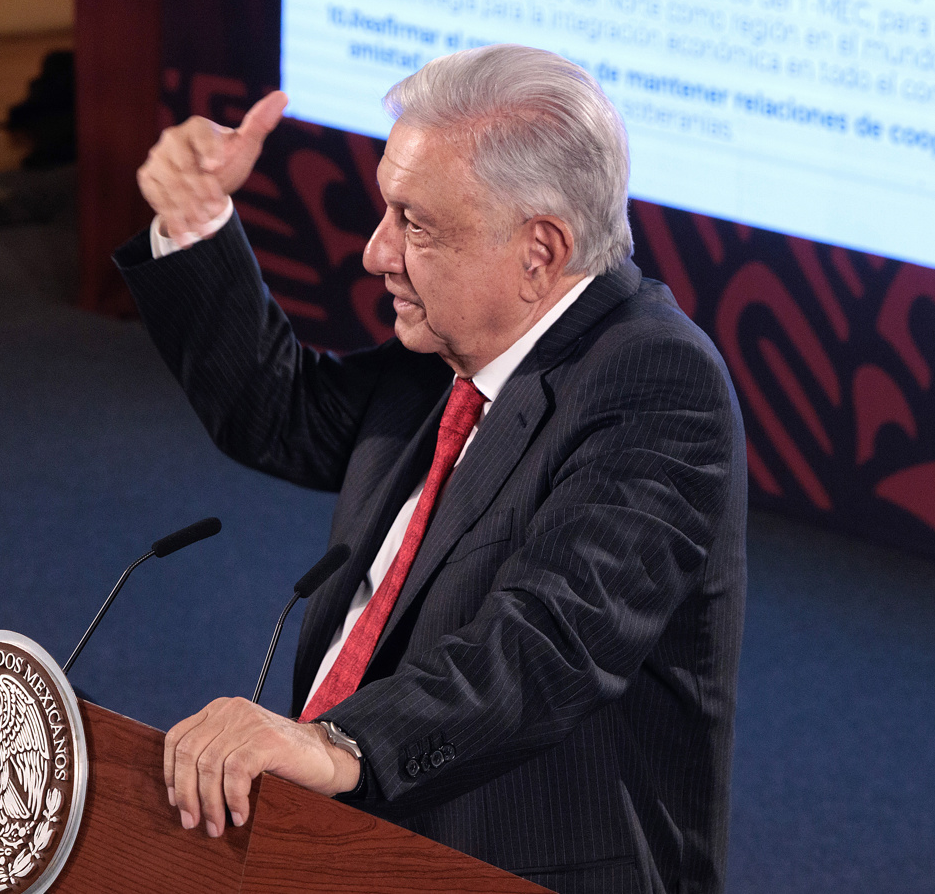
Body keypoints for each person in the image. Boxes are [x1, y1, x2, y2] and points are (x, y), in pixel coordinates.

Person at [114, 44, 746, 894]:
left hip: (508, 859)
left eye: (414, 224)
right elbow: (283, 414)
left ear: (539, 251)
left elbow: (545, 644)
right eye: (387, 213)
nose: (377, 253)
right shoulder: (445, 351)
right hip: (356, 826)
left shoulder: (658, 384)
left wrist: (336, 745)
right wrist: (194, 223)